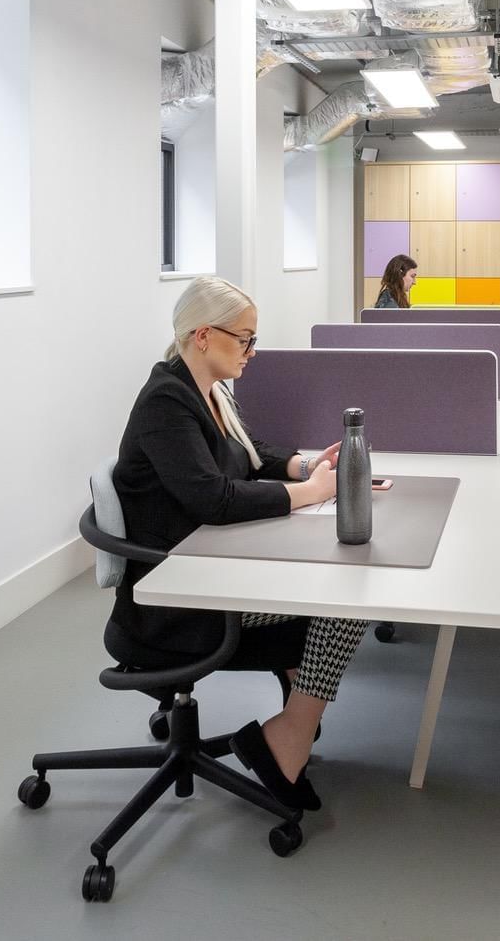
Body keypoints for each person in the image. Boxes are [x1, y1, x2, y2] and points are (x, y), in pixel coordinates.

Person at [111, 275, 368, 812]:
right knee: (347, 604)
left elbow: (247, 455)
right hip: (179, 600)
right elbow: (215, 500)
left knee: (335, 597)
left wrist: (304, 465)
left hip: (210, 568)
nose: (253, 351)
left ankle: (298, 713)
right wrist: (308, 493)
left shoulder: (206, 391)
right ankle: (286, 738)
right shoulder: (166, 401)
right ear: (203, 335)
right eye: (245, 338)